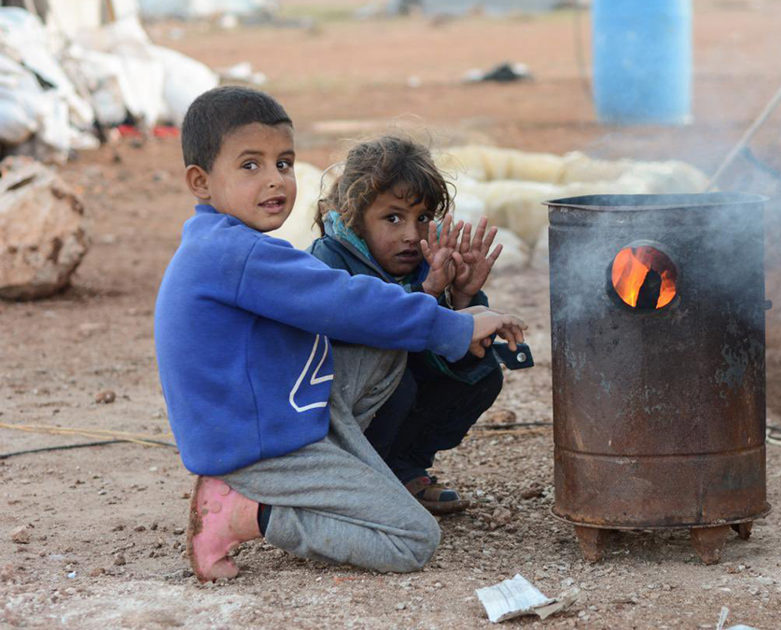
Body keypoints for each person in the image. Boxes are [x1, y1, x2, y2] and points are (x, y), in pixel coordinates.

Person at [153, 86, 526, 582]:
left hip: (279, 413)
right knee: (413, 539)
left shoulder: (227, 245)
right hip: (262, 447)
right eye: (250, 165)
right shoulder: (237, 256)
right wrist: (454, 324)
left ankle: (358, 474)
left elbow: (368, 315)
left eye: (284, 163)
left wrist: (455, 308)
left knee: (388, 350)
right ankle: (244, 512)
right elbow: (346, 301)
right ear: (200, 182)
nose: (274, 180)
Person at [308, 136, 513, 514]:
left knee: (483, 373)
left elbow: (445, 347)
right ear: (355, 216)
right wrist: (426, 291)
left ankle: (401, 467)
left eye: (422, 218)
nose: (410, 234)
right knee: (396, 377)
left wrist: (464, 297)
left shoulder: (421, 258)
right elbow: (368, 327)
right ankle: (359, 479)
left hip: (393, 392)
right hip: (336, 407)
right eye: (393, 218)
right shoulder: (330, 259)